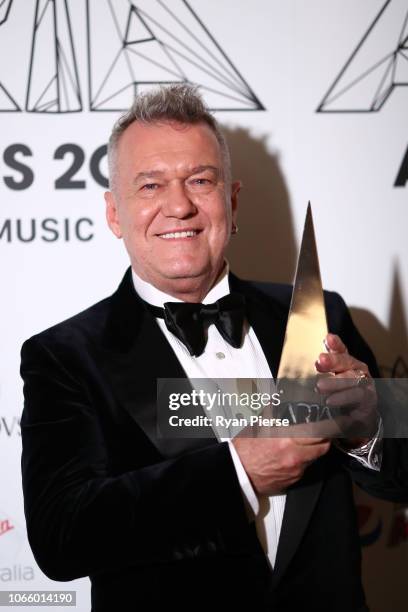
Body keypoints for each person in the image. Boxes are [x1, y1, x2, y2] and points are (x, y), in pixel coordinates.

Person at [20, 85, 407, 612]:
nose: (179, 205)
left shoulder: (319, 315)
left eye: (200, 180)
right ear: (114, 214)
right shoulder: (65, 356)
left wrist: (368, 426)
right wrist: (238, 473)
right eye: (151, 185)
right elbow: (62, 536)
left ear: (232, 199)